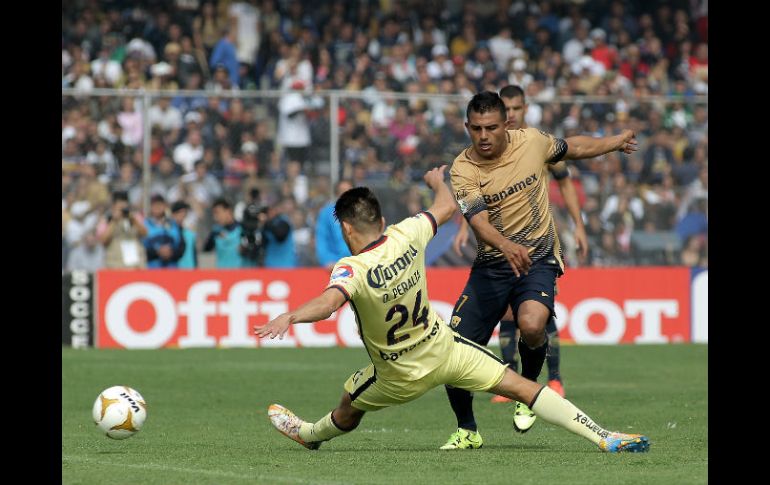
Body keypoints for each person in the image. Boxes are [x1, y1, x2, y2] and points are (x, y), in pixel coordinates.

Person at [255, 166, 648, 454]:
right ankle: (603, 435)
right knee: (524, 389)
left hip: (396, 374)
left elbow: (328, 304)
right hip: (447, 353)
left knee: (348, 407)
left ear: (346, 229)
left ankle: (308, 435)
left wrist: (290, 316)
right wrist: (437, 181)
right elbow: (446, 206)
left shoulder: (350, 268)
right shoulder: (407, 233)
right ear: (382, 220)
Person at [443, 91, 638, 448]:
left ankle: (527, 391)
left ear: (507, 125)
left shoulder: (531, 141)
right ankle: (467, 429)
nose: (483, 136)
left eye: (491, 128)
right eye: (476, 129)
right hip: (491, 266)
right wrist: (505, 245)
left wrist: (613, 142)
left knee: (532, 325)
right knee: (454, 351)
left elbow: (572, 149)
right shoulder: (463, 168)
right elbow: (478, 222)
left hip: (538, 258)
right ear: (467, 127)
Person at [452, 85, 588, 403]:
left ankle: (552, 379)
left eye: (515, 109)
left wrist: (578, 225)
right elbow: (476, 202)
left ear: (523, 110)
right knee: (510, 317)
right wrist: (463, 227)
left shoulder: (534, 143)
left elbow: (565, 177)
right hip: (499, 252)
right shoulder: (476, 158)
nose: (511, 114)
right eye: (507, 109)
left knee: (534, 318)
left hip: (537, 246)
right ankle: (512, 379)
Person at [315, 179, 353, 271]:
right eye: (342, 192)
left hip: (358, 265)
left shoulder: (363, 212)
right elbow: (322, 240)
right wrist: (327, 261)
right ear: (337, 194)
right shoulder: (326, 213)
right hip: (334, 266)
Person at [203, 198, 249, 268]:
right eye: (214, 214)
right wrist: (213, 235)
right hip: (222, 275)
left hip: (239, 274)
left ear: (228, 211)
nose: (215, 217)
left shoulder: (242, 229)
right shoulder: (216, 231)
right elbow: (206, 249)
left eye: (217, 213)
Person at [143, 194, 186, 269]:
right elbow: (142, 248)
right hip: (152, 269)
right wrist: (158, 252)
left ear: (164, 206)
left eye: (160, 204)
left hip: (172, 269)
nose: (157, 207)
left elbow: (181, 247)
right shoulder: (145, 225)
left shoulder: (173, 224)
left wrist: (171, 253)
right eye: (154, 205)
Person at [171, 200, 198, 269]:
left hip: (190, 271)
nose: (182, 216)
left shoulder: (190, 234)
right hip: (174, 271)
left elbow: (194, 256)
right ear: (173, 215)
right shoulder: (169, 233)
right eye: (180, 213)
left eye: (184, 213)